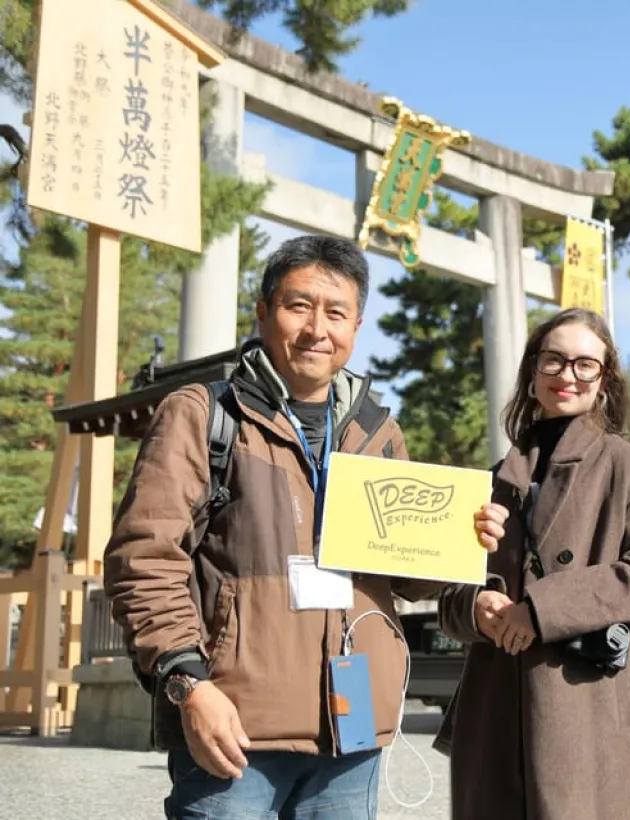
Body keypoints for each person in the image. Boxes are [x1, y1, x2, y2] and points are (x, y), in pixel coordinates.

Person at [103, 235, 507, 820]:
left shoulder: (376, 432)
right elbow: (144, 558)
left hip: (353, 724)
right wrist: (188, 681)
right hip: (236, 721)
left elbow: (406, 578)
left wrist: (462, 538)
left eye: (336, 313)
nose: (318, 328)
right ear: (264, 312)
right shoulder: (205, 415)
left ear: (356, 327)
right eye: (299, 306)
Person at [440, 307, 630, 820]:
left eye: (585, 364)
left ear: (605, 380)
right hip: (496, 706)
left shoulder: (626, 466)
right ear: (533, 371)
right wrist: (476, 606)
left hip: (586, 704)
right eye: (553, 360)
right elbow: (450, 593)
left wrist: (540, 610)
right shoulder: (493, 477)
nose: (567, 375)